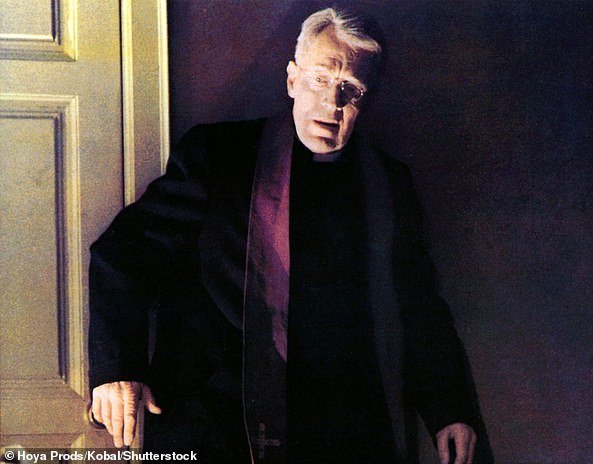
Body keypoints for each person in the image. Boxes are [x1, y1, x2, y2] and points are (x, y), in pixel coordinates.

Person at [89, 7, 493, 464]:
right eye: (320, 79)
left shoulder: (388, 184)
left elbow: (417, 306)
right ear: (291, 80)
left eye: (351, 89)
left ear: (367, 99)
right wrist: (117, 369)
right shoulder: (218, 156)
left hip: (341, 432)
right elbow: (123, 252)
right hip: (218, 422)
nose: (332, 102)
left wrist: (450, 411)